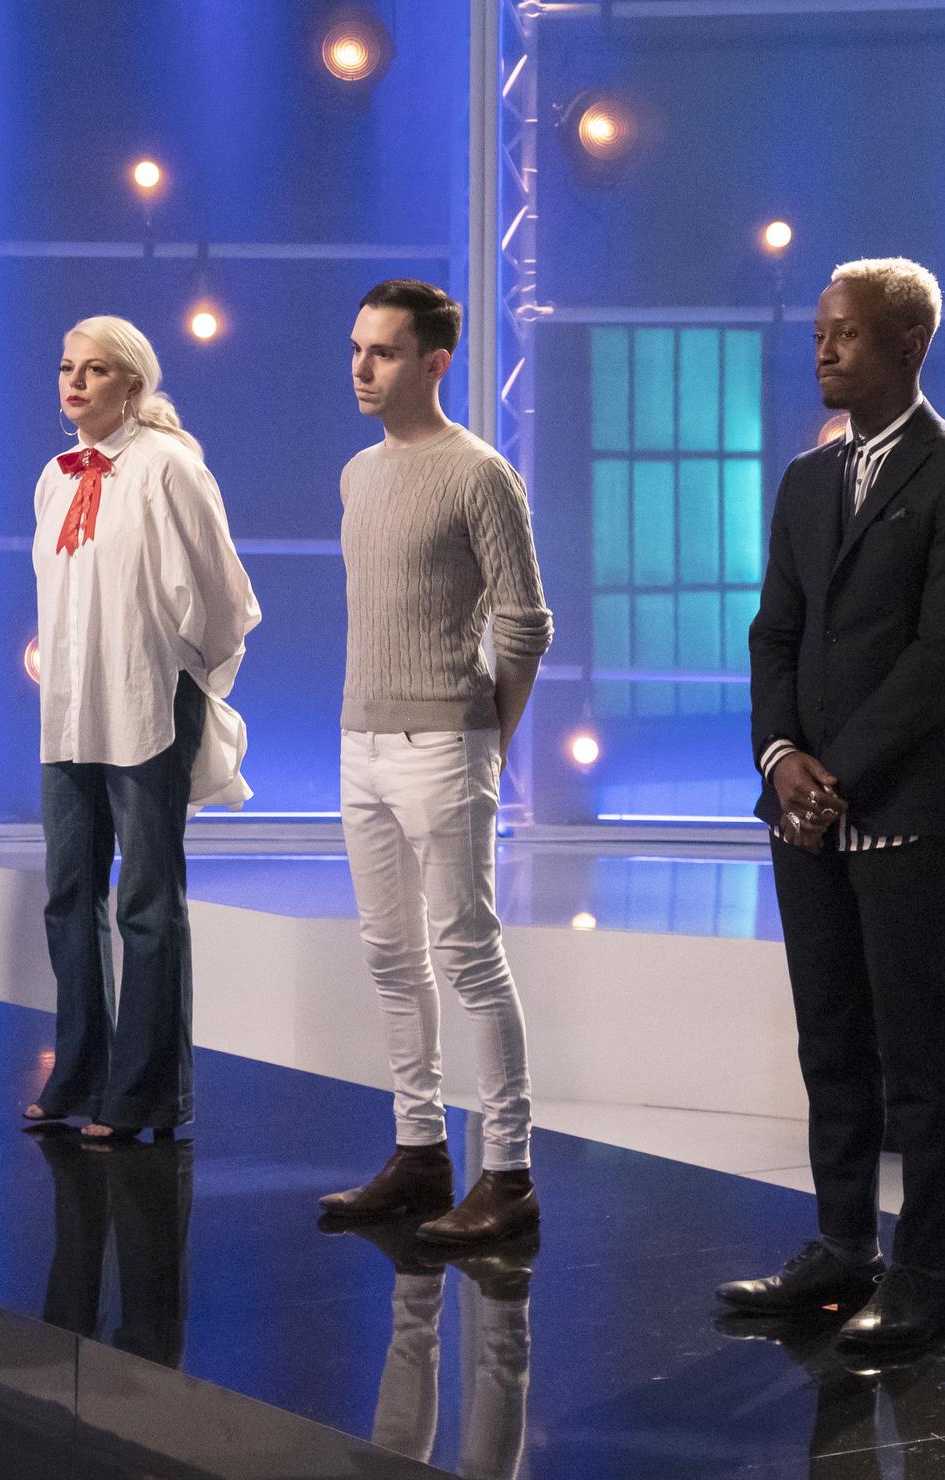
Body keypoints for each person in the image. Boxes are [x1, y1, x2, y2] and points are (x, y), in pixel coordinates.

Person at [715, 259, 945, 1353]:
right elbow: (775, 634)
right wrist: (783, 756)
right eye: (819, 334)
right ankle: (843, 1246)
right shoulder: (807, 480)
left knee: (915, 1040)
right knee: (830, 1034)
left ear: (909, 346)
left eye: (846, 333)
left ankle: (926, 1273)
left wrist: (836, 770)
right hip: (806, 803)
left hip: (905, 803)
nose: (825, 349)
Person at [316, 279, 552, 1247]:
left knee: (466, 951)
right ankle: (420, 1150)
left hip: (444, 743)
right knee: (388, 952)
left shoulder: (479, 474)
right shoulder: (358, 475)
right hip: (360, 741)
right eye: (357, 348)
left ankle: (508, 1171)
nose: (362, 367)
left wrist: (487, 732)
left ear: (434, 363)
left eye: (382, 352)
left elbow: (526, 621)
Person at [22, 316, 260, 1143]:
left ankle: (149, 1093)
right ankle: (80, 1074)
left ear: (134, 383)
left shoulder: (168, 468)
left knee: (148, 902)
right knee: (68, 893)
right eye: (66, 366)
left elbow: (225, 599)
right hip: (70, 711)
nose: (75, 382)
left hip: (147, 701)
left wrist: (182, 672)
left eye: (94, 369)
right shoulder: (55, 476)